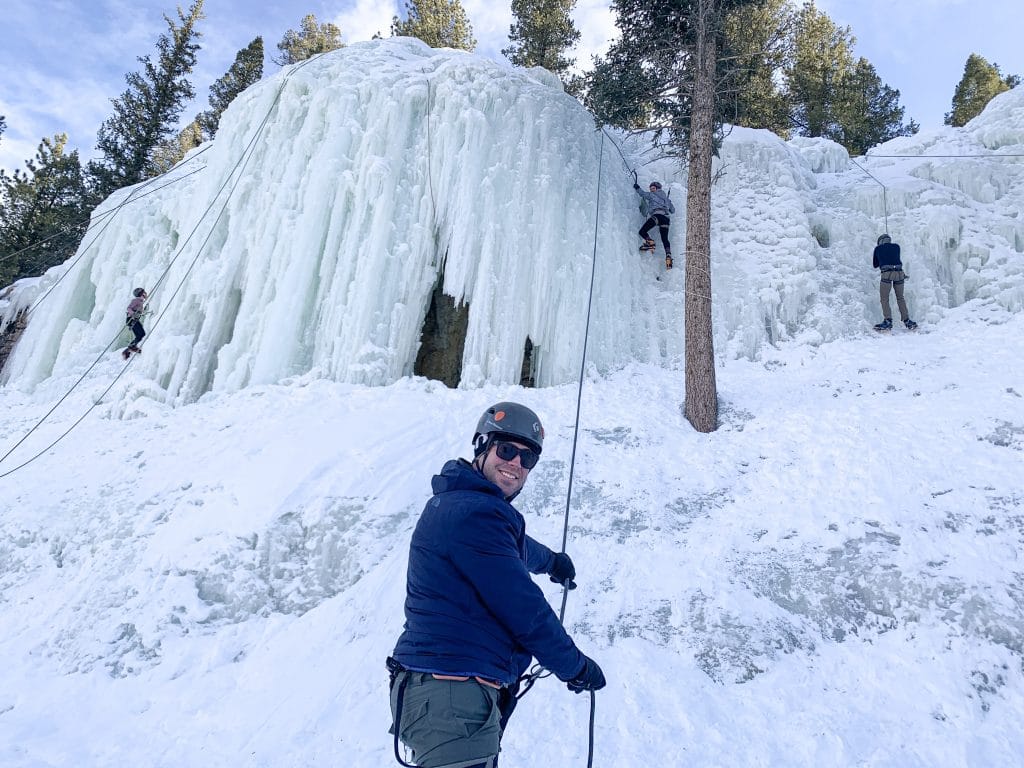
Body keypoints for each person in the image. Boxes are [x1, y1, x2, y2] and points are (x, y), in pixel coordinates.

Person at [387, 402, 605, 768]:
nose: (516, 464)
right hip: (452, 695)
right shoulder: (477, 514)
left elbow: (512, 547)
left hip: (447, 694)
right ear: (483, 446)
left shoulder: (465, 506)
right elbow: (524, 609)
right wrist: (575, 667)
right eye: (506, 450)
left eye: (527, 458)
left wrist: (552, 562)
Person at [872, 234, 917, 331]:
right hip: (900, 273)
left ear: (880, 242)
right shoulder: (896, 247)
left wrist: (881, 255)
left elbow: (875, 265)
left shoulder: (878, 248)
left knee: (884, 298)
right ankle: (907, 321)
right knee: (900, 298)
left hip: (887, 274)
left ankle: (888, 321)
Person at [634, 179, 675, 269]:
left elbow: (643, 194)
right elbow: (673, 210)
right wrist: (667, 202)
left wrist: (637, 187)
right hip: (666, 219)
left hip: (657, 216)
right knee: (665, 239)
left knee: (642, 231)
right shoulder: (667, 199)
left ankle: (650, 243)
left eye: (653, 188)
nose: (651, 190)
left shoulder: (652, 195)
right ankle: (668, 257)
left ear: (657, 188)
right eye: (651, 188)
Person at [123, 287, 148, 358]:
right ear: (141, 294)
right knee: (141, 334)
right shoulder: (136, 300)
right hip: (131, 319)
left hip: (134, 320)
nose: (146, 293)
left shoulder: (140, 301)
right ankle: (132, 346)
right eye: (144, 292)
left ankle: (128, 350)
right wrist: (133, 313)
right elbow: (129, 308)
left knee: (140, 335)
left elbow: (139, 311)